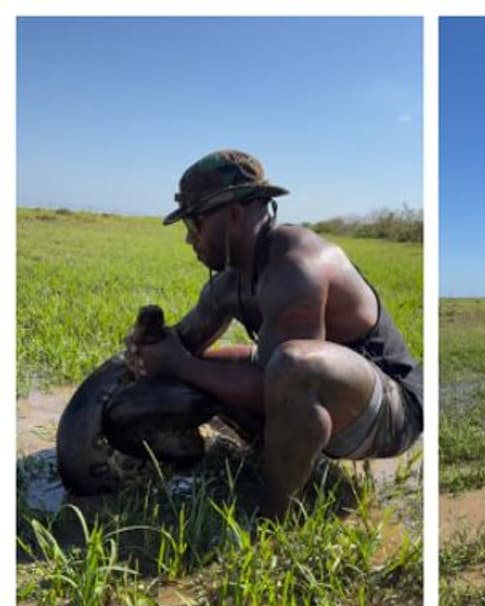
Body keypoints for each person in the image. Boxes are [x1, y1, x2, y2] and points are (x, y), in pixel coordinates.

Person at [128, 149, 424, 518]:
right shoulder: (228, 284)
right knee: (211, 363)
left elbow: (280, 380)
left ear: (233, 214)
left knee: (292, 365)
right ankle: (278, 456)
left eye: (194, 224)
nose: (191, 239)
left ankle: (274, 515)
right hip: (329, 395)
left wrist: (178, 365)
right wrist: (150, 347)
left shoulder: (296, 264)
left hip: (392, 413)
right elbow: (180, 345)